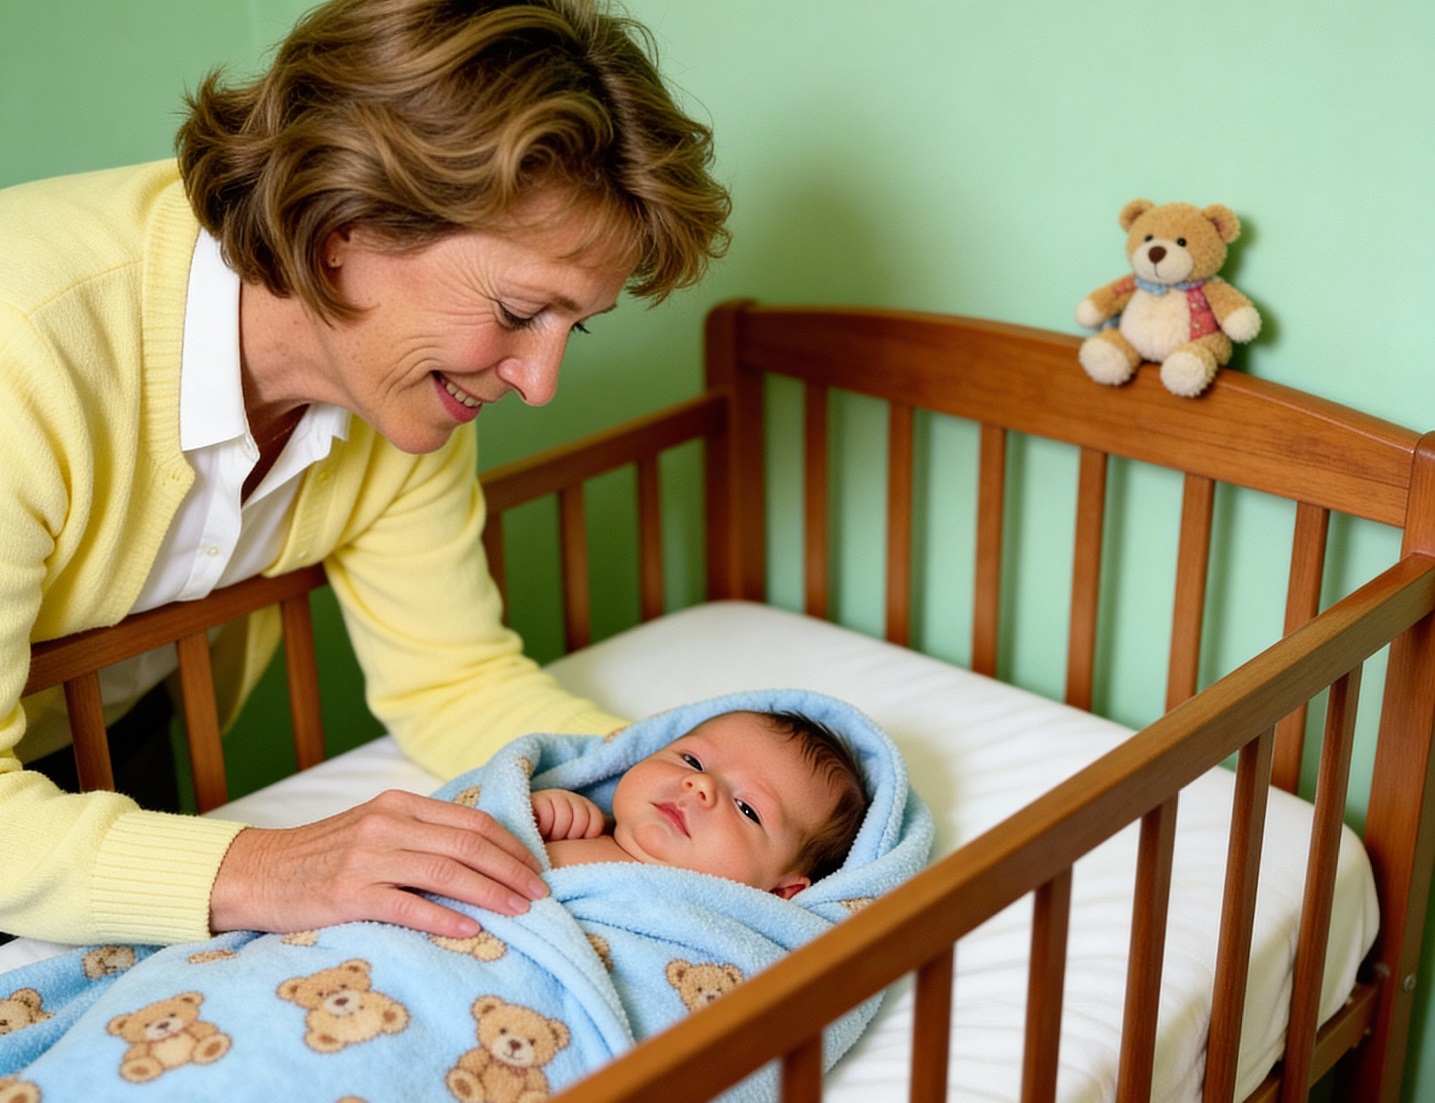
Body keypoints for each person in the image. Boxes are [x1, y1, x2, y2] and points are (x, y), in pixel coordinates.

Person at [0, 0, 729, 951]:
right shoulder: (29, 350)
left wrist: (702, 792)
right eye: (517, 310)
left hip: (106, 740)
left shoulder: (403, 390)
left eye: (571, 325)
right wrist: (267, 864)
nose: (539, 383)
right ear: (344, 226)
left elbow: (453, 680)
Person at [533, 709, 869, 899]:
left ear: (782, 891)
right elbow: (488, 829)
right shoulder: (574, 825)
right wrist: (534, 816)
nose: (701, 785)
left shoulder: (714, 926)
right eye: (692, 760)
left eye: (746, 808)